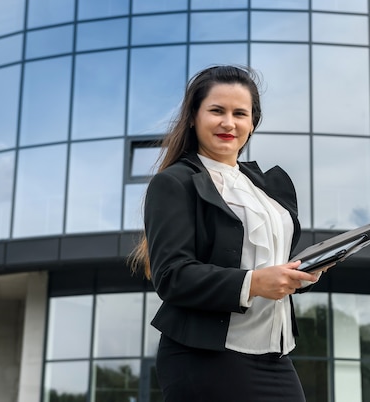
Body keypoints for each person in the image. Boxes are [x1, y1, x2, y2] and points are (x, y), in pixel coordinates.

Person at [130, 65, 321, 402]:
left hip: (274, 355)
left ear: (252, 122)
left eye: (240, 113)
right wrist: (255, 283)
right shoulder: (174, 183)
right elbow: (171, 276)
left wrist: (297, 274)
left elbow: (266, 262)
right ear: (193, 117)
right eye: (216, 111)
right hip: (205, 356)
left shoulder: (269, 187)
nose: (228, 123)